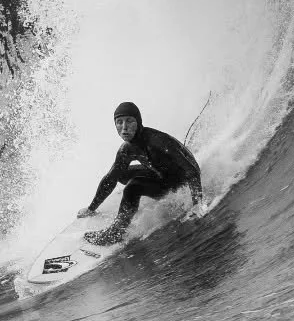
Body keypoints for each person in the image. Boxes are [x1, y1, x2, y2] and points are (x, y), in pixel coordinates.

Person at [78, 101, 203, 246]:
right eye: (119, 122)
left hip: (176, 181)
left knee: (132, 188)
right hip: (158, 172)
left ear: (139, 122)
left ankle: (116, 232)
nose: (124, 127)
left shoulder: (158, 141)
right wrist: (91, 208)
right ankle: (130, 203)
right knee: (120, 173)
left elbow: (192, 170)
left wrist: (197, 204)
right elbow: (110, 179)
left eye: (129, 121)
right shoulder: (127, 149)